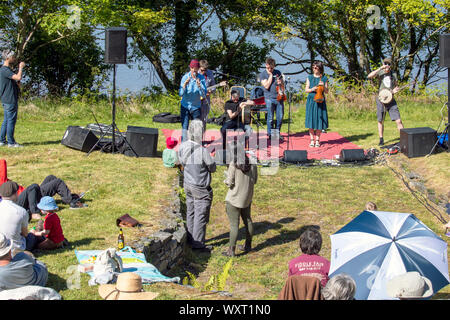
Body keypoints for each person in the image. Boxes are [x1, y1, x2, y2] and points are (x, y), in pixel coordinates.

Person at [177, 120, 216, 252]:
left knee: (191, 211)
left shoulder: (183, 146)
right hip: (200, 186)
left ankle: (189, 238)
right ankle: (198, 244)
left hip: (187, 183)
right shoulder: (203, 151)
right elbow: (212, 167)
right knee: (200, 215)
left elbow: (181, 161)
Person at [222, 141, 258, 257]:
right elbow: (255, 180)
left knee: (234, 225)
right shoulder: (252, 162)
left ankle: (231, 251)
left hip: (234, 198)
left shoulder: (233, 164)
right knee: (248, 220)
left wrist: (226, 178)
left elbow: (230, 182)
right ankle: (248, 245)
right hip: (247, 197)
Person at [367, 58, 404, 146]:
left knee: (398, 120)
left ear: (391, 65)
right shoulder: (380, 72)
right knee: (380, 120)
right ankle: (381, 139)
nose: (387, 65)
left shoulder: (394, 74)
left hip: (391, 100)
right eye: (385, 63)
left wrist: (395, 90)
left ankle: (404, 138)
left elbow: (396, 86)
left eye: (389, 64)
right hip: (381, 100)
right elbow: (369, 76)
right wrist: (380, 68)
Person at [0, 50, 25, 148]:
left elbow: (14, 81)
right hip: (10, 99)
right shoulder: (5, 70)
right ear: (7, 58)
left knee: (6, 120)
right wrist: (21, 67)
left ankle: (2, 140)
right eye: (13, 57)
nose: (14, 59)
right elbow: (18, 77)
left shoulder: (5, 70)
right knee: (11, 120)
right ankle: (11, 142)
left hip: (6, 98)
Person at [179, 59, 207, 142]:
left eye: (196, 69)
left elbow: (203, 95)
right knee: (185, 126)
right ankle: (184, 146)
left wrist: (199, 86)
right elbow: (180, 93)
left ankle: (196, 145)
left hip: (196, 106)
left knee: (196, 127)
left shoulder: (201, 78)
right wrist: (184, 85)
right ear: (190, 68)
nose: (194, 71)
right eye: (192, 69)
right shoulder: (185, 77)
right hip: (185, 105)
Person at [0, 181, 29, 255]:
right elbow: (25, 234)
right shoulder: (21, 211)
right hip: (15, 249)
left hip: (1, 247)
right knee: (32, 237)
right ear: (15, 194)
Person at [304, 60, 329, 148]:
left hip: (320, 101)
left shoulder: (324, 78)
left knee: (319, 120)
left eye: (316, 67)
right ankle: (311, 140)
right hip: (311, 100)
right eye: (313, 67)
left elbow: (326, 92)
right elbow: (306, 90)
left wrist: (323, 86)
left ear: (320, 68)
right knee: (311, 119)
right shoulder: (309, 77)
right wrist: (312, 89)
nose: (314, 69)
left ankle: (317, 140)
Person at [259, 57, 285, 141]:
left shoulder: (278, 72)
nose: (270, 69)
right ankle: (270, 134)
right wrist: (270, 76)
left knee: (280, 117)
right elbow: (266, 86)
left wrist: (281, 83)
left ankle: (277, 133)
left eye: (272, 68)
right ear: (266, 65)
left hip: (279, 97)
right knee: (270, 117)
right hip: (269, 98)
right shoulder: (263, 74)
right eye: (268, 67)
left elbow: (283, 85)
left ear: (274, 66)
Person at [198, 60, 217, 130]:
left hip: (206, 99)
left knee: (204, 118)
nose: (204, 72)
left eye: (205, 70)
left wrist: (210, 91)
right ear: (199, 67)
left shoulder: (210, 73)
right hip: (197, 99)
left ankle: (203, 136)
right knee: (197, 118)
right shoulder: (194, 73)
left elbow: (213, 86)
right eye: (202, 70)